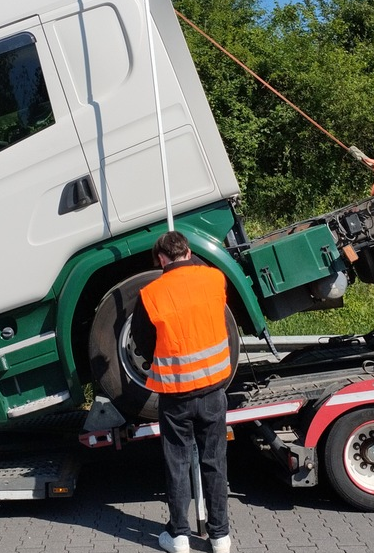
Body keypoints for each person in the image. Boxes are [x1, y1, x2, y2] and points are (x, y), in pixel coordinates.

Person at [135, 231, 233, 553]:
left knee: (176, 463)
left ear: (161, 259)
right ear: (188, 251)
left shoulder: (150, 294)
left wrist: (157, 358)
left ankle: (178, 536)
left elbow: (142, 341)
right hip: (213, 388)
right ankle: (220, 537)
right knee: (214, 462)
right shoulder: (215, 278)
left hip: (175, 395)